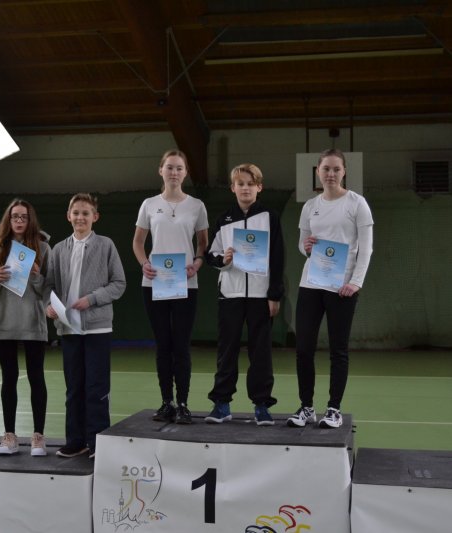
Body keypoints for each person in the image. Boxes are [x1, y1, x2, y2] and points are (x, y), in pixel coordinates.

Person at [287, 148, 374, 429]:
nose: (331, 174)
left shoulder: (357, 203)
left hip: (342, 289)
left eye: (336, 169)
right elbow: (303, 245)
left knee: (338, 350)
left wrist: (355, 282)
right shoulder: (310, 206)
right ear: (318, 172)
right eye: (326, 169)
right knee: (304, 348)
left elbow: (366, 248)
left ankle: (333, 409)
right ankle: (306, 407)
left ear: (344, 171)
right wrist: (306, 246)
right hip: (311, 284)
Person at [45, 193, 126, 458]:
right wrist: (49, 307)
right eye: (76, 213)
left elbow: (119, 284)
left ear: (95, 217)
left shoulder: (106, 245)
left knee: (96, 388)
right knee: (74, 388)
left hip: (97, 329)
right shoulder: (58, 249)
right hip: (69, 329)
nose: (80, 217)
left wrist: (91, 299)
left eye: (85, 213)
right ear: (68, 216)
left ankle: (97, 441)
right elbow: (49, 286)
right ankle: (76, 441)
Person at [203, 164, 284, 426]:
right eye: (240, 184)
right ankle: (222, 404)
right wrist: (223, 260)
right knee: (227, 350)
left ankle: (262, 405)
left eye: (250, 184)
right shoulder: (224, 220)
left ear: (259, 187)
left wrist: (274, 294)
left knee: (261, 352)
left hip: (261, 297)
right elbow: (211, 255)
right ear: (233, 188)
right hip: (231, 294)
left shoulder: (270, 217)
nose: (245, 188)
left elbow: (278, 257)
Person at [132, 149, 209, 424]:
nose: (174, 172)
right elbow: (138, 242)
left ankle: (184, 403)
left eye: (179, 168)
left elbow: (203, 243)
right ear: (161, 170)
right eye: (169, 167)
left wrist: (197, 262)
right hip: (154, 283)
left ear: (185, 172)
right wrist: (144, 263)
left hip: (186, 283)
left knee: (181, 345)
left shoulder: (197, 206)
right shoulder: (149, 204)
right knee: (163, 344)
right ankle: (167, 402)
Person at [0, 199, 51, 457]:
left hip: (33, 323)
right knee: (9, 378)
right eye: (14, 216)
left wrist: (36, 276)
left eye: (23, 217)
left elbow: (48, 289)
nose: (19, 221)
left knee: (36, 378)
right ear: (8, 219)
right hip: (5, 322)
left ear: (30, 220)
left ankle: (38, 436)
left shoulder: (44, 248)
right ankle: (9, 436)